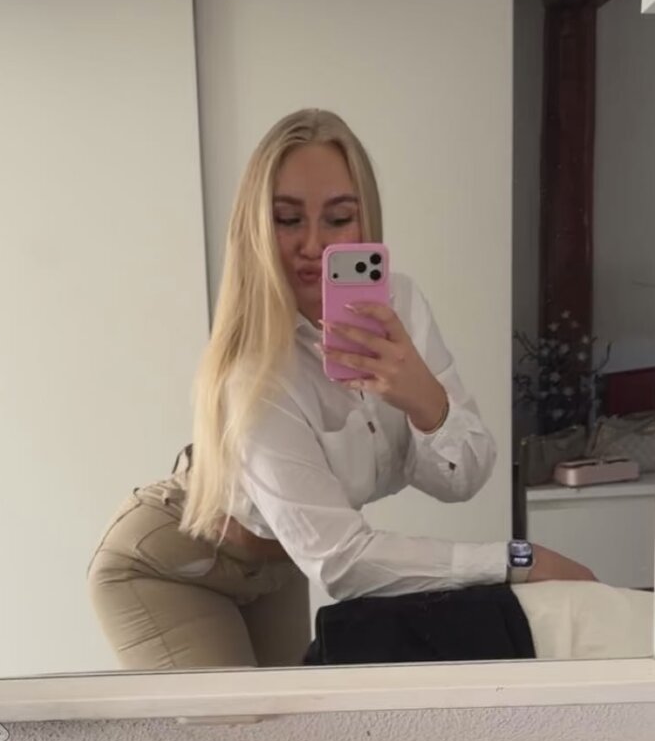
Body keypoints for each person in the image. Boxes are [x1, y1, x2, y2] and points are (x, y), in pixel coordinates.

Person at [87, 108, 651, 670]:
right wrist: (518, 559)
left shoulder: (402, 308)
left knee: (291, 717)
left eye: (338, 218)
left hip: (281, 562)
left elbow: (464, 478)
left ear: (365, 222)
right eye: (287, 219)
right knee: (242, 723)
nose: (313, 244)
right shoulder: (253, 372)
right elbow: (342, 563)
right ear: (256, 226)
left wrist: (425, 400)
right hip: (174, 562)